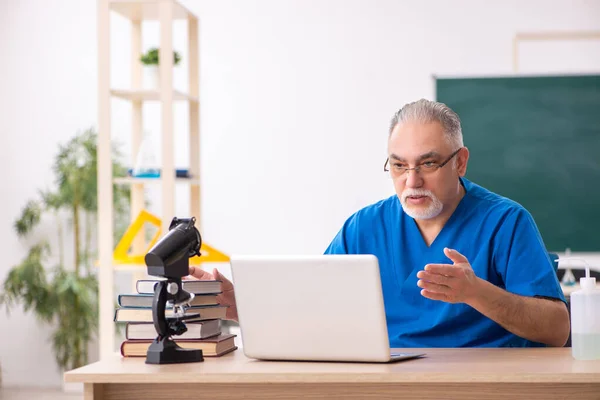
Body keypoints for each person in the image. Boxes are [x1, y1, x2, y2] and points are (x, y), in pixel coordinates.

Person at [189, 99, 570, 348]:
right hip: (388, 383)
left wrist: (476, 292)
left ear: (461, 161)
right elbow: (313, 310)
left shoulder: (505, 222)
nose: (412, 180)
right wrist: (241, 305)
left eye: (429, 163)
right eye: (399, 165)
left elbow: (557, 329)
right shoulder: (364, 228)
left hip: (484, 384)